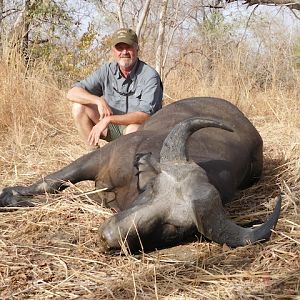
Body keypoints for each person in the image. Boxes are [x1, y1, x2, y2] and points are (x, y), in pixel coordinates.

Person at [67, 28, 163, 148]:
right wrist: (98, 100)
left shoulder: (150, 75)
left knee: (133, 130)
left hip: (138, 130)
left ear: (137, 48)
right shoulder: (107, 70)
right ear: (113, 51)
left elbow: (145, 116)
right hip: (111, 128)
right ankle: (95, 156)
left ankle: (131, 163)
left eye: (128, 47)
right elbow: (72, 93)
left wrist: (109, 120)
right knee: (78, 107)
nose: (124, 52)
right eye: (119, 48)